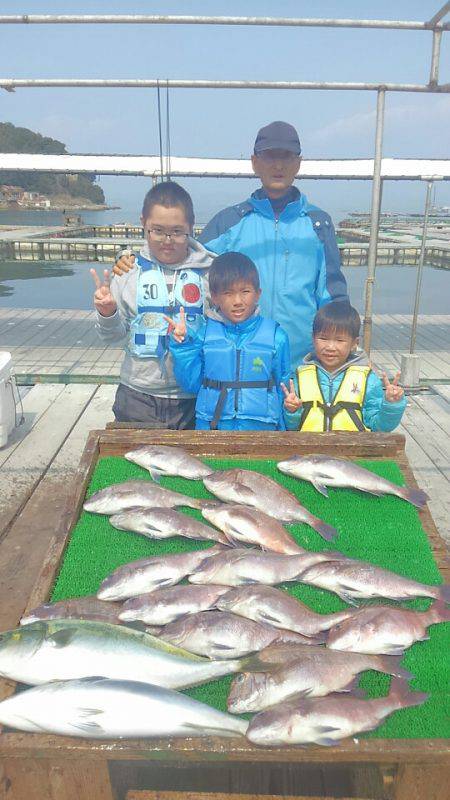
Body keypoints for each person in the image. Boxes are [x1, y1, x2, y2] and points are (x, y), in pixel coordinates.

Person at [197, 120, 349, 369]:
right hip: (241, 364)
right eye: (270, 157)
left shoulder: (318, 224)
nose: (279, 165)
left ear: (298, 163)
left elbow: (332, 294)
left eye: (287, 157)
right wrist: (130, 262)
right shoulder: (229, 222)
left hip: (303, 365)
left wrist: (343, 356)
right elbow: (185, 266)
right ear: (255, 162)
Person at [91, 181, 214, 428]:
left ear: (191, 227)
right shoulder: (126, 272)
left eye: (177, 232)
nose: (167, 240)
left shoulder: (211, 274)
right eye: (157, 230)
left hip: (192, 396)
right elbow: (113, 336)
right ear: (143, 224)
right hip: (137, 395)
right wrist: (108, 313)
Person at [167, 251, 291, 431]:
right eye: (228, 293)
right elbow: (190, 384)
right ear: (215, 297)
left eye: (245, 292)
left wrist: (284, 429)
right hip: (213, 427)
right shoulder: (204, 335)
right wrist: (183, 346)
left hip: (262, 430)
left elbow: (283, 388)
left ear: (258, 294)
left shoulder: (276, 337)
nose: (238, 301)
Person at [281, 300, 406, 432]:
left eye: (339, 340)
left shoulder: (367, 379)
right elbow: (292, 427)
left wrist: (391, 405)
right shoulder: (300, 377)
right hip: (309, 450)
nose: (330, 347)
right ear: (313, 338)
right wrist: (292, 411)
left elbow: (379, 427)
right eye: (323, 338)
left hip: (353, 451)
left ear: (354, 343)